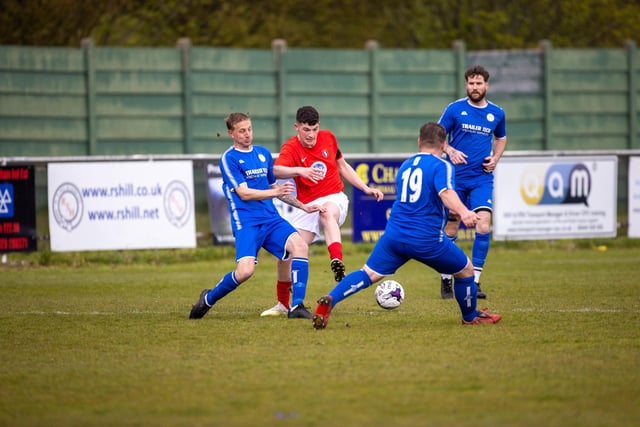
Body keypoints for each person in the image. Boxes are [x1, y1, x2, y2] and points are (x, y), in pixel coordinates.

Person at [312, 122, 502, 329]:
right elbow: (446, 193)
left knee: (369, 273)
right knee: (465, 270)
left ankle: (331, 299)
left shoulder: (406, 165)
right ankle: (470, 315)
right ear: (443, 144)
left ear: (419, 141)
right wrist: (464, 212)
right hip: (426, 239)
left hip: (394, 235)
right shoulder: (442, 166)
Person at [189, 112, 324, 320]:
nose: (247, 134)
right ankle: (208, 299)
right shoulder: (229, 159)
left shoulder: (262, 153)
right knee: (245, 272)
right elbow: (244, 193)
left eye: (249, 129)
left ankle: (296, 306)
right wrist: (275, 193)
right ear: (231, 133)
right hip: (247, 223)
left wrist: (303, 206)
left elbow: (274, 187)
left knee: (300, 246)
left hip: (271, 219)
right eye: (242, 131)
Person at [259, 105, 384, 317]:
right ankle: (283, 304)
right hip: (308, 206)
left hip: (335, 197)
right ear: (297, 127)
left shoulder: (329, 138)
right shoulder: (290, 148)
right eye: (306, 130)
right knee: (288, 251)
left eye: (315, 129)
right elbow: (276, 170)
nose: (311, 135)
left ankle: (337, 260)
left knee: (327, 212)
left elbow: (342, 166)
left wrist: (365, 188)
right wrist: (301, 170)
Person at [437, 65, 507, 300]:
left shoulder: (497, 113)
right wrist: (450, 149)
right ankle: (447, 278)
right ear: (466, 85)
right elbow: (438, 137)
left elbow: (501, 137)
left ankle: (474, 281)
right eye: (471, 83)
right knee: (452, 225)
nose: (474, 87)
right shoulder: (455, 109)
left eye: (479, 84)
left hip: (481, 178)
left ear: (486, 86)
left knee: (484, 225)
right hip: (455, 178)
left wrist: (495, 158)